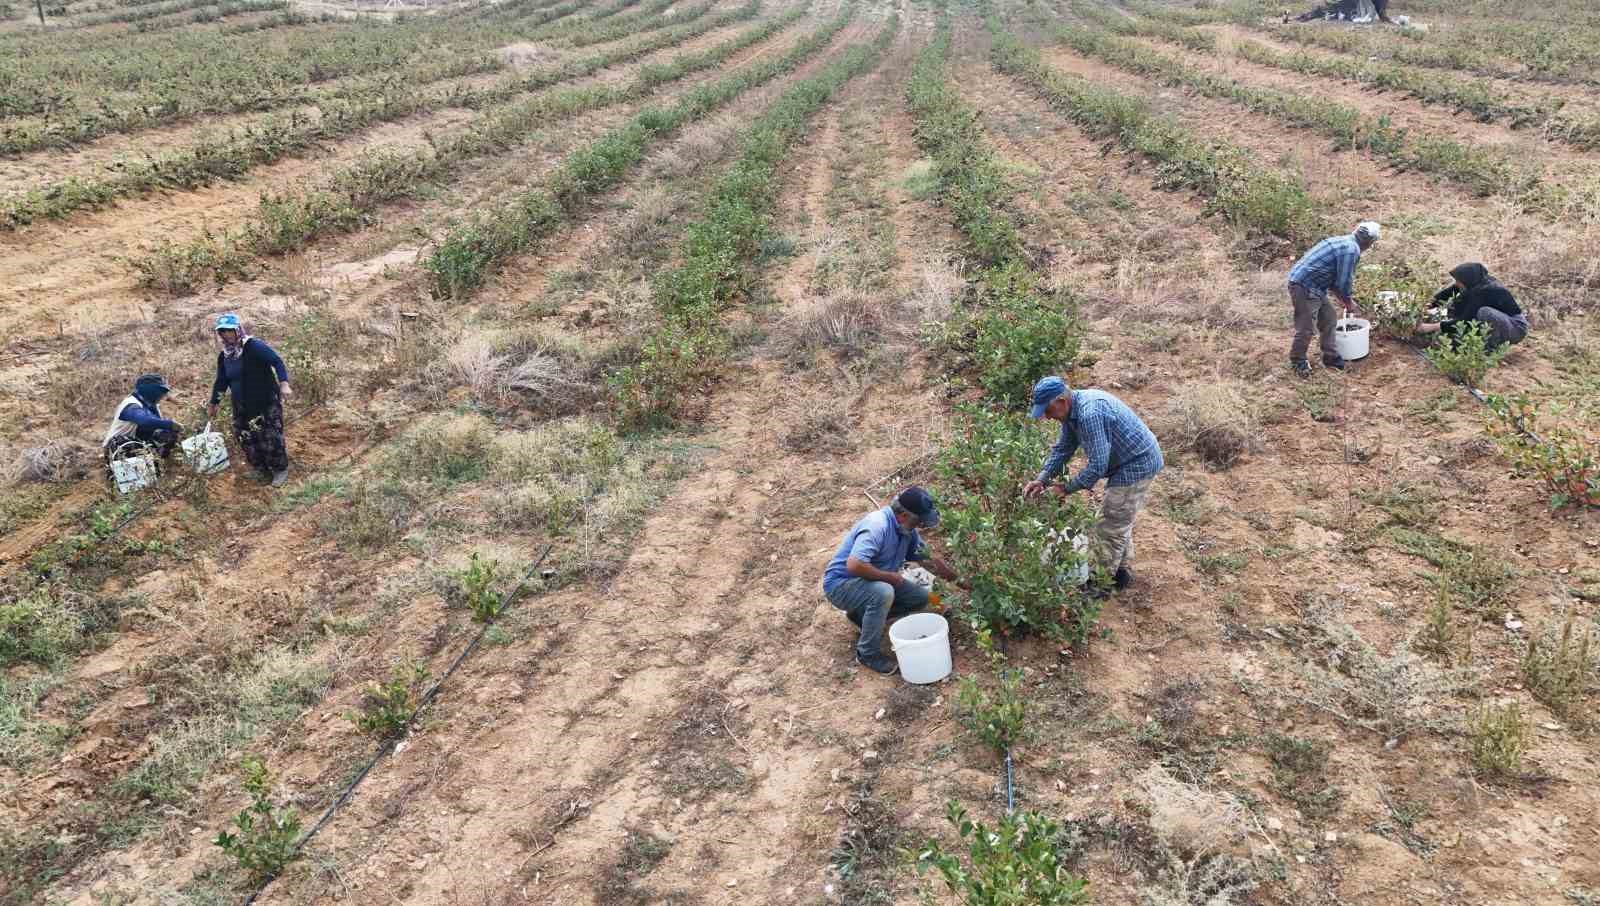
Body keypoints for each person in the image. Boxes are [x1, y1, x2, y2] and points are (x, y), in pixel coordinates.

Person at [1022, 377, 1163, 594]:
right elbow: (1063, 449)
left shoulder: (1090, 414)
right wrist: (1042, 479)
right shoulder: (1072, 412)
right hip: (1124, 462)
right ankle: (1120, 574)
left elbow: (1097, 465)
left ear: (1061, 401)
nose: (1047, 416)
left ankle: (1101, 585)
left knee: (1109, 524)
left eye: (1048, 410)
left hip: (1137, 464)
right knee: (1116, 518)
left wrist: (1065, 488)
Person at [822, 486, 964, 675]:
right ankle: (867, 654)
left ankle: (860, 616)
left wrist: (962, 582)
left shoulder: (906, 530)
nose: (920, 526)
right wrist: (888, 577)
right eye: (918, 522)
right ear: (904, 515)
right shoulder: (877, 526)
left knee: (922, 597)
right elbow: (854, 565)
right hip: (841, 585)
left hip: (872, 581)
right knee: (883, 593)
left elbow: (929, 561)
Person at [206, 313, 293, 487]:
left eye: (229, 330)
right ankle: (260, 468)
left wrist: (284, 383)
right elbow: (221, 381)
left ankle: (279, 469)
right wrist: (213, 403)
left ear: (237, 329)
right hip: (241, 404)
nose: (225, 334)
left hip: (265, 400)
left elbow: (277, 361)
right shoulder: (225, 356)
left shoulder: (253, 346)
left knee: (270, 435)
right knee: (245, 436)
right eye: (221, 331)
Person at [1286, 221, 1381, 377]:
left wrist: (1346, 300)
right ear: (1370, 242)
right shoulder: (1351, 250)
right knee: (1306, 327)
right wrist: (1349, 303)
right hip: (1304, 285)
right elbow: (1343, 282)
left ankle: (1330, 357)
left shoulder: (1343, 241)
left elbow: (1335, 282)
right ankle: (1298, 361)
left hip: (1314, 285)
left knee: (1329, 318)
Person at [1417, 262, 1527, 352]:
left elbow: (1464, 321)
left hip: (1516, 327)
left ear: (1468, 280)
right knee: (1456, 308)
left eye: (1458, 281)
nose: (1456, 284)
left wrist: (1428, 327)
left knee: (1485, 312)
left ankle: (1489, 348)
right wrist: (1425, 306)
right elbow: (1449, 293)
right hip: (1503, 321)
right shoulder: (1477, 281)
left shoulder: (1486, 291)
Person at [102, 373, 182, 463]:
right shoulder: (131, 404)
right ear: (150, 390)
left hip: (136, 442)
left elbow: (156, 428)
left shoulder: (151, 405)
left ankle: (158, 463)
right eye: (160, 391)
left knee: (169, 435)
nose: (162, 395)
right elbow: (144, 420)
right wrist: (170, 424)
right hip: (117, 448)